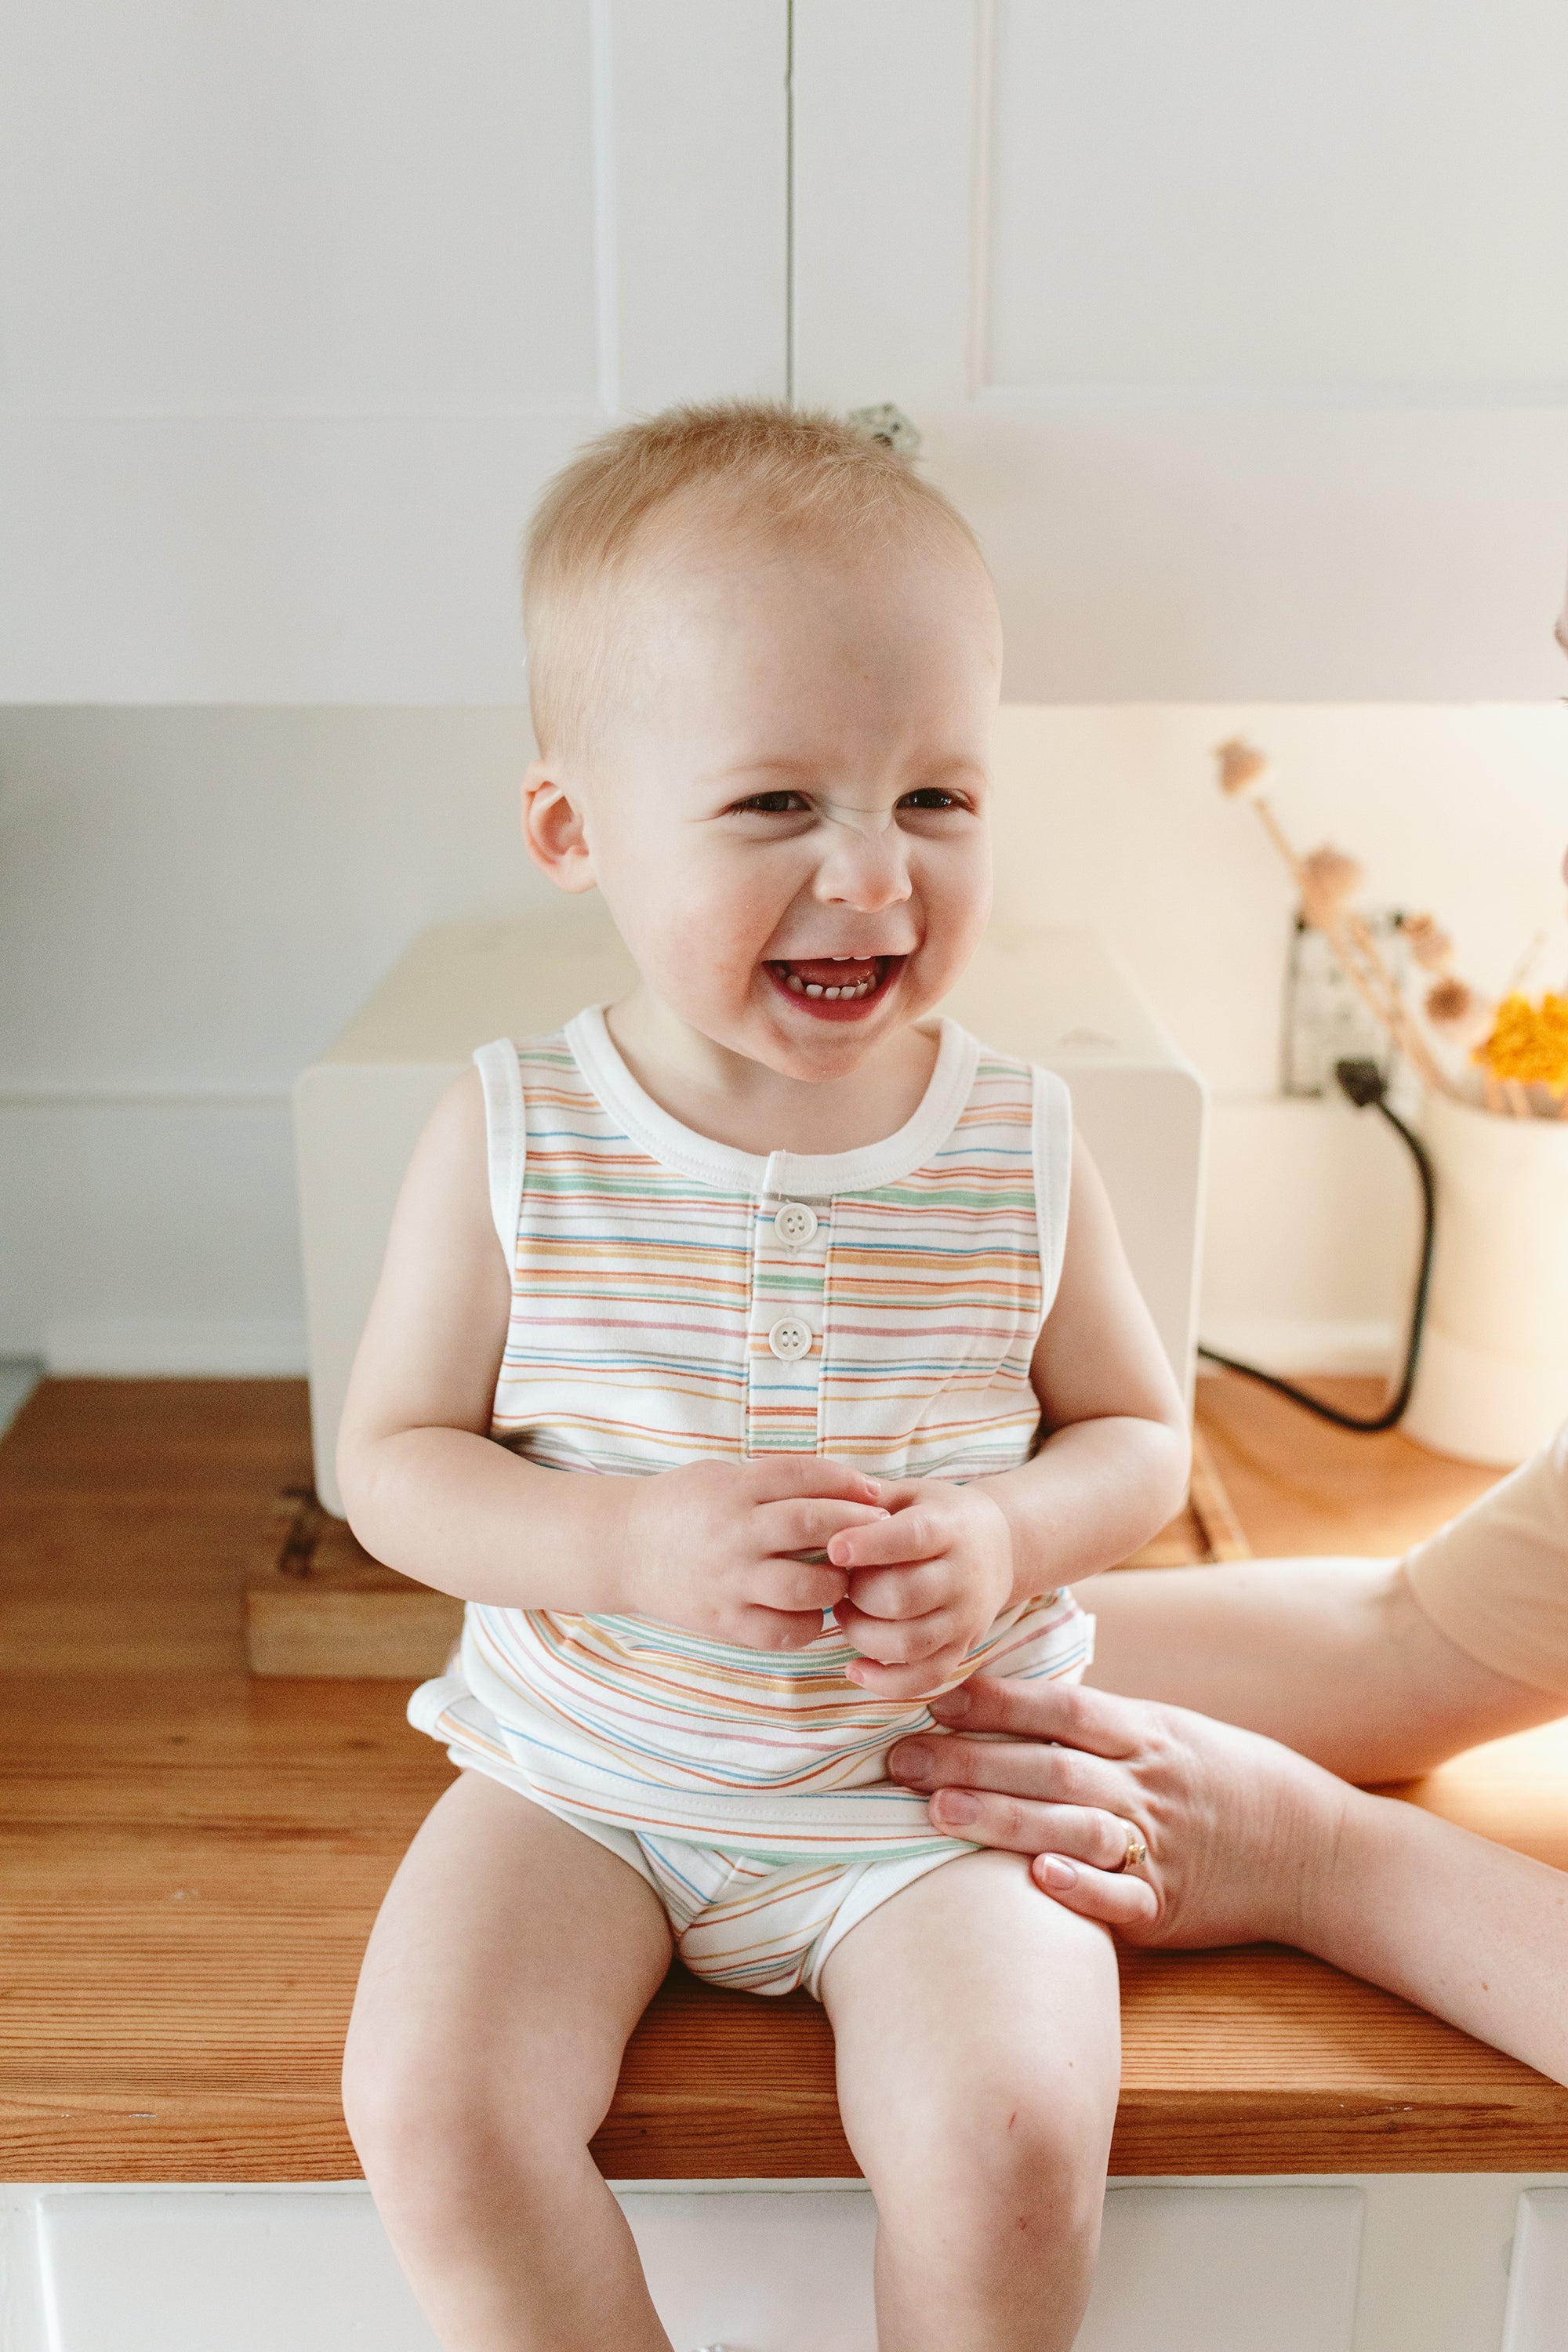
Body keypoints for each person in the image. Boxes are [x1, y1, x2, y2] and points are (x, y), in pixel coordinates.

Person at [334, 404, 1191, 2352]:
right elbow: (391, 1461)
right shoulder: (511, 1137)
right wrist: (620, 1541)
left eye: (937, 801)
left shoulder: (1017, 1138)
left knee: (1011, 2138)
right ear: (574, 831)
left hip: (927, 1802)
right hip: (585, 1782)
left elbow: (1141, 1438)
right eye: (776, 806)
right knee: (434, 2113)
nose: (873, 879)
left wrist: (1002, 1529)